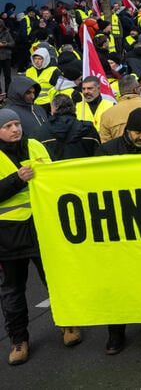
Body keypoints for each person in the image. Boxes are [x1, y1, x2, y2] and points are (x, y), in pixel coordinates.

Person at [0, 109, 81, 365]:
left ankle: (68, 324)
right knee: (13, 291)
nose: (15, 129)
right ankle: (18, 340)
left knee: (55, 280)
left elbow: (54, 177)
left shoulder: (35, 145)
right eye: (8, 126)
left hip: (43, 226)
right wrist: (17, 179)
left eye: (17, 124)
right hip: (9, 235)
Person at [97, 108, 141, 354]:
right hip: (118, 226)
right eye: (138, 132)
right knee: (118, 282)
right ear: (127, 130)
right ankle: (116, 333)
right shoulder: (108, 150)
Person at [34, 94, 101, 160]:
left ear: (53, 109)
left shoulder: (42, 132)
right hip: (84, 170)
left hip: (56, 170)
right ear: (74, 108)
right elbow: (99, 156)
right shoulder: (89, 130)